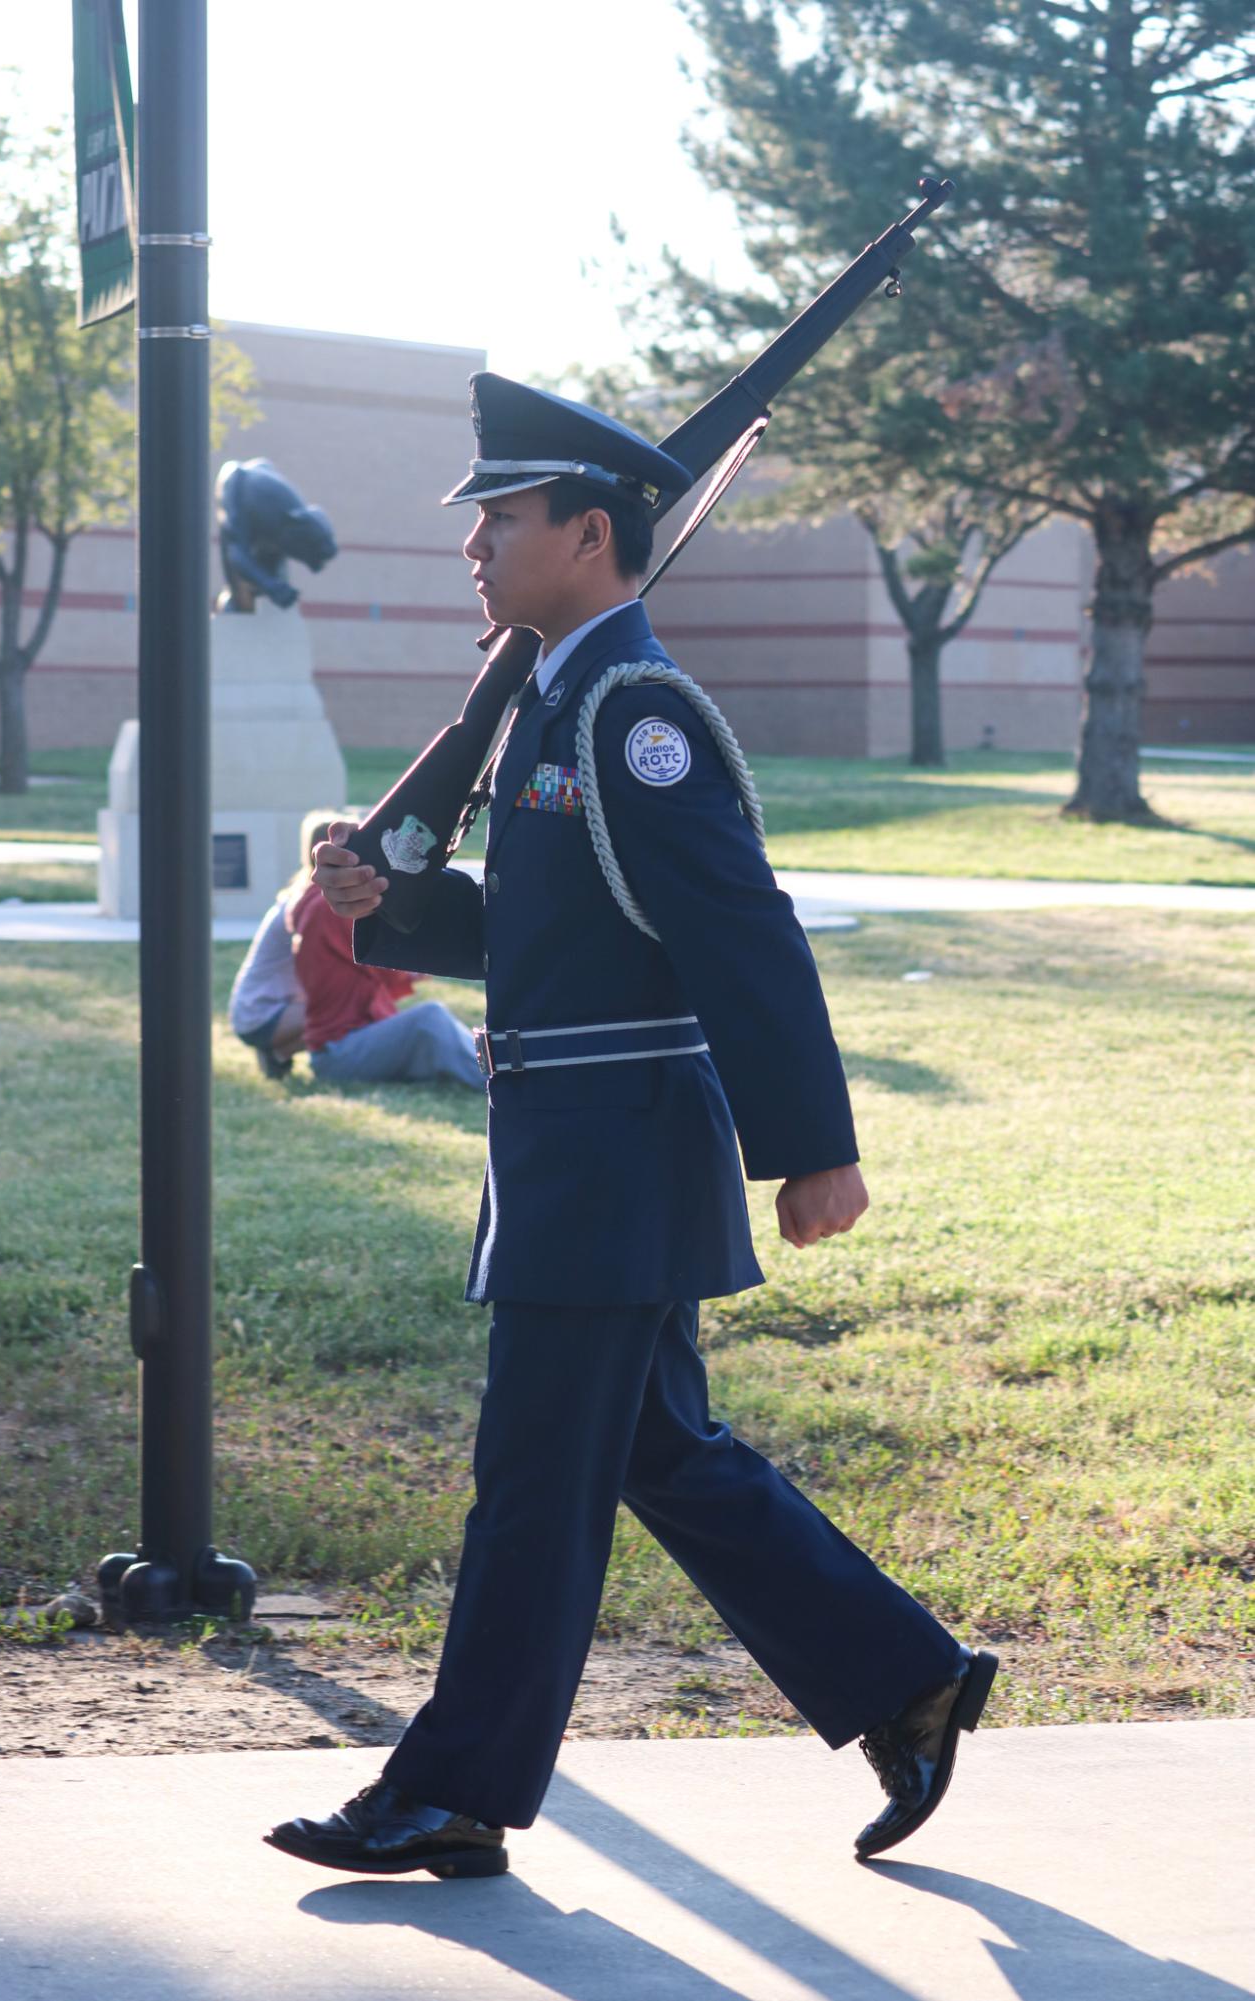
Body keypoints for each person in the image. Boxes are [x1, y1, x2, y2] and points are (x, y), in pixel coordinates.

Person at [265, 375, 997, 1882]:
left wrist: (813, 1148)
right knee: (667, 1455)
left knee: (533, 1480)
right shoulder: (555, 696)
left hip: (611, 1162)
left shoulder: (630, 710)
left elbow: (737, 931)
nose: (474, 542)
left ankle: (451, 1788)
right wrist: (390, 898)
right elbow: (552, 926)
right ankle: (901, 1680)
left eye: (504, 516)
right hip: (574, 1155)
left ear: (589, 535)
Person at [290, 869, 483, 1090]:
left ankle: (488, 1063)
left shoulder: (312, 903)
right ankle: (492, 1080)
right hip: (340, 1053)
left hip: (339, 1047)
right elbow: (389, 970)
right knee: (430, 1018)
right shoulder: (332, 908)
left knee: (433, 1029)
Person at [227, 884, 306, 1082]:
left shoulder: (294, 899)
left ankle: (278, 1053)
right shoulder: (304, 905)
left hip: (251, 1013)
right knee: (349, 1008)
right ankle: (279, 1052)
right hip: (261, 1014)